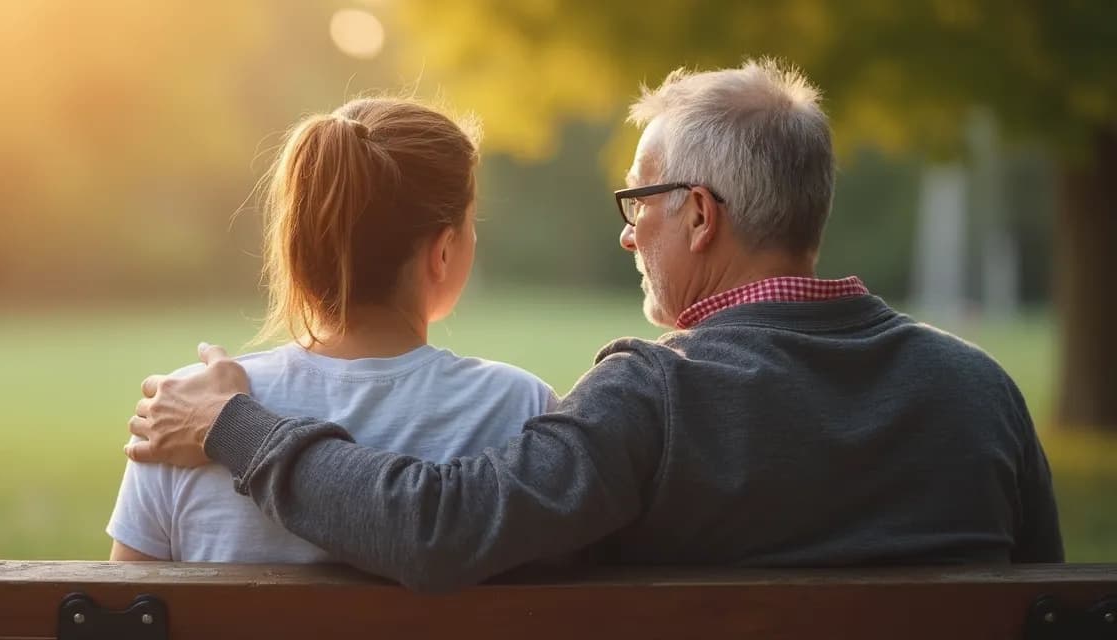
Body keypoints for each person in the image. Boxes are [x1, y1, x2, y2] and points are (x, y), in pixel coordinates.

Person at [125, 59, 1065, 591]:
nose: (627, 234)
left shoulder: (654, 397)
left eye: (640, 200)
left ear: (700, 215)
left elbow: (439, 529)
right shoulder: (977, 390)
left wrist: (236, 426)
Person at [107, 97, 557, 562]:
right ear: (442, 252)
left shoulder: (184, 409)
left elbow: (126, 605)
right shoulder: (522, 408)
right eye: (470, 224)